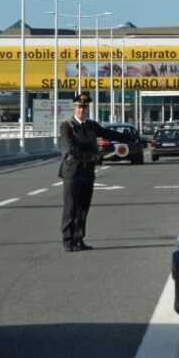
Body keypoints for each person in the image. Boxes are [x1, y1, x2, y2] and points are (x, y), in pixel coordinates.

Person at [58, 92, 133, 252]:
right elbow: (71, 149)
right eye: (79, 107)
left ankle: (79, 239)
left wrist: (128, 138)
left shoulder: (91, 125)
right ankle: (68, 240)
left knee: (83, 208)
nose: (82, 110)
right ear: (74, 108)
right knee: (71, 207)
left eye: (84, 107)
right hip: (72, 172)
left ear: (88, 109)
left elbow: (108, 133)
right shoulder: (67, 126)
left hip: (88, 171)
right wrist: (93, 156)